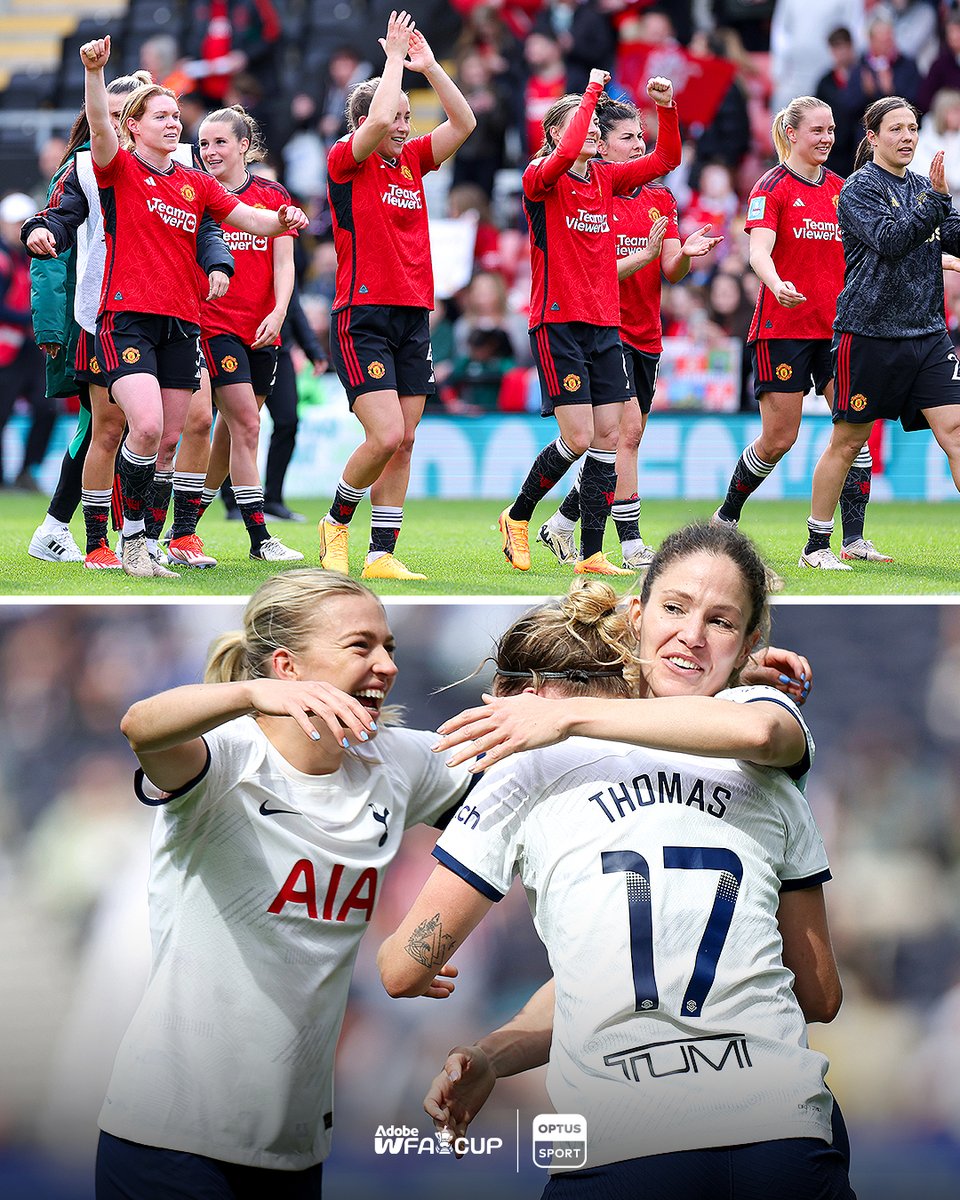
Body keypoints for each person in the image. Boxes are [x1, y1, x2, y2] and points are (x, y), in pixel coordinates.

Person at [377, 523, 854, 1198]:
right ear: (634, 618)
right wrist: (494, 1052)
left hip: (620, 1142)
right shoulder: (766, 758)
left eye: (719, 620)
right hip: (781, 1131)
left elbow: (401, 969)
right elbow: (818, 995)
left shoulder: (537, 760)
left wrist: (559, 727)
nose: (693, 633)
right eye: (676, 609)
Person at [96, 570, 474, 1198]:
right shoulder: (228, 757)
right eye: (361, 647)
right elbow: (141, 725)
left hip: (294, 1148)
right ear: (285, 666)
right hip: (169, 1138)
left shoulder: (398, 762)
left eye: (390, 648)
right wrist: (250, 695)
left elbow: (510, 814)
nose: (385, 665)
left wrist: (428, 932)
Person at [78, 34, 307, 579]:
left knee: (172, 440)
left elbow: (248, 219)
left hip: (182, 324)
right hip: (127, 315)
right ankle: (129, 539)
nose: (173, 123)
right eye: (160, 116)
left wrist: (285, 220)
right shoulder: (121, 168)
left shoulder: (195, 183)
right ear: (135, 126)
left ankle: (150, 541)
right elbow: (98, 128)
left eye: (175, 115)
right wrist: (93, 74)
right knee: (149, 426)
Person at [23, 72, 234, 570]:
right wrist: (51, 322)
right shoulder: (87, 166)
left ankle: (149, 536)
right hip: (102, 312)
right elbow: (55, 222)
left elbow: (205, 224)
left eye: (125, 115)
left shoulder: (176, 169)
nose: (116, 123)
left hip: (170, 313)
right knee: (107, 425)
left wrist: (219, 260)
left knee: (174, 424)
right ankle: (88, 536)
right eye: (113, 114)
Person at [498, 70, 681, 576]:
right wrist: (594, 92)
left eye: (601, 130)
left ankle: (592, 552)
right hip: (558, 322)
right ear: (559, 134)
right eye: (589, 129)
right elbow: (566, 149)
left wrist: (666, 108)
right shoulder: (541, 179)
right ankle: (516, 516)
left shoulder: (605, 179)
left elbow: (666, 159)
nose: (597, 135)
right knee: (578, 437)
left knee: (609, 438)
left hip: (605, 325)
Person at [319, 10, 477, 581]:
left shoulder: (410, 161)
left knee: (405, 440)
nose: (406, 126)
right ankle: (336, 524)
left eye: (411, 118)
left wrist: (429, 66)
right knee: (383, 434)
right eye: (398, 118)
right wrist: (390, 59)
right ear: (365, 122)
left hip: (413, 312)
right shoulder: (346, 160)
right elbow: (380, 110)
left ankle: (381, 552)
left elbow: (464, 123)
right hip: (361, 314)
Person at [537, 95, 720, 570]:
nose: (639, 145)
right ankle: (630, 541)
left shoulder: (659, 197)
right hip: (603, 327)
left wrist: (685, 253)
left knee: (621, 439)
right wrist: (645, 255)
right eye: (628, 137)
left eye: (641, 135)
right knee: (626, 433)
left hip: (646, 331)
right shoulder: (590, 191)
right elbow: (592, 273)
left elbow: (671, 268)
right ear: (599, 142)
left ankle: (562, 523)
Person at [715, 97, 892, 568]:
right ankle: (726, 517)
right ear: (792, 134)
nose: (827, 138)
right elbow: (758, 254)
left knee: (854, 429)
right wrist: (777, 285)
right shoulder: (770, 187)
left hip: (837, 330)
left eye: (831, 130)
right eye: (817, 130)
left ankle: (847, 540)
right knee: (779, 438)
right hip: (783, 328)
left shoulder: (843, 189)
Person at [800, 97, 960, 570]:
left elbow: (949, 234)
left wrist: (939, 203)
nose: (908, 136)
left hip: (929, 334)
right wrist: (935, 200)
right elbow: (892, 240)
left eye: (912, 128)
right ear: (872, 138)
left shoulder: (921, 187)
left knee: (955, 429)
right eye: (896, 129)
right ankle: (817, 546)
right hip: (868, 335)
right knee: (849, 441)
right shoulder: (858, 190)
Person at [163, 104, 304, 566]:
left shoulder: (272, 193)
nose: (209, 151)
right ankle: (260, 538)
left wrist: (280, 312)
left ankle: (183, 527)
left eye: (220, 142)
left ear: (244, 146)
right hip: (213, 326)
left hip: (262, 328)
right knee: (246, 423)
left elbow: (285, 263)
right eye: (203, 143)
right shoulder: (193, 193)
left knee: (232, 431)